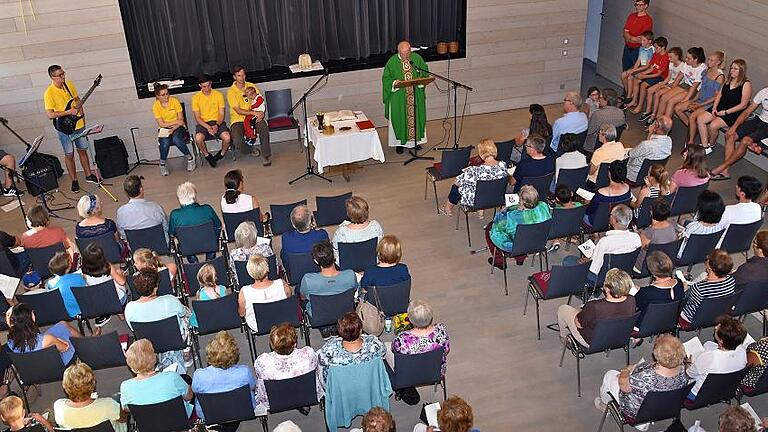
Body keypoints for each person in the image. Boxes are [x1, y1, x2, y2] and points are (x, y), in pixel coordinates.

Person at [597, 334, 688, 422]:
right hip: (665, 407)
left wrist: (625, 371)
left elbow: (624, 387)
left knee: (610, 375)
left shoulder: (644, 377)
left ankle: (604, 405)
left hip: (638, 412)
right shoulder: (683, 371)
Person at [43, 64, 98, 192]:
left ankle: (88, 175)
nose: (63, 77)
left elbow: (78, 101)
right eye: (60, 75)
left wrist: (82, 117)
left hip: (78, 125)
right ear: (52, 77)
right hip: (64, 128)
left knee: (82, 150)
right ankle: (74, 180)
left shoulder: (69, 84)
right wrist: (69, 113)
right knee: (69, 154)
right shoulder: (49, 93)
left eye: (63, 73)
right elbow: (50, 114)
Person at [123, 268, 191, 370]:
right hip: (174, 340)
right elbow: (183, 313)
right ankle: (186, 350)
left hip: (149, 343)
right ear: (156, 287)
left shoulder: (129, 308)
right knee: (187, 314)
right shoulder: (170, 300)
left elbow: (133, 329)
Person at [191, 331, 259, 423]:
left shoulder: (199, 375)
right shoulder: (244, 372)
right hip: (242, 410)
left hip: (210, 414)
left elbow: (195, 391)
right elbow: (253, 387)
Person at [557, 269, 636, 348]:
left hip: (593, 342)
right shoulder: (631, 300)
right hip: (618, 338)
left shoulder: (595, 306)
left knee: (563, 309)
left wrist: (583, 312)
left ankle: (565, 338)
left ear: (607, 289)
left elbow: (579, 324)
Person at [253, 323, 323, 411]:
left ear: (272, 345)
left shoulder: (262, 362)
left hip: (275, 400)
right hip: (307, 394)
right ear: (295, 344)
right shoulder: (308, 354)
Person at [565, 204, 640, 285]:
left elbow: (594, 269)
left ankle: (590, 289)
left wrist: (587, 262)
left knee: (568, 260)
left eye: (611, 215)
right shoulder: (636, 238)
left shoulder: (605, 242)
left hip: (603, 277)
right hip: (623, 274)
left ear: (614, 220)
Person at [120, 339, 193, 417]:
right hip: (179, 419)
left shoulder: (125, 386)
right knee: (186, 379)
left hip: (148, 425)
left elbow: (127, 408)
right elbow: (189, 396)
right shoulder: (172, 377)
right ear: (154, 358)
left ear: (131, 367)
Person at [710, 86, 768, 180]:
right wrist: (734, 127)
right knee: (730, 135)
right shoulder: (764, 92)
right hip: (759, 120)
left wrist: (763, 143)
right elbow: (747, 112)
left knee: (745, 140)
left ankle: (721, 167)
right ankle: (725, 171)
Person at [486, 185, 551, 268]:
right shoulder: (544, 207)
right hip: (538, 242)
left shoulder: (511, 217)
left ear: (522, 201)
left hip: (515, 246)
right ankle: (520, 259)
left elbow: (497, 224)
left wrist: (504, 209)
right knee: (520, 234)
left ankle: (499, 262)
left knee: (490, 229)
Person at [693, 59, 752, 149]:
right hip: (722, 105)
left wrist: (726, 112)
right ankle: (705, 145)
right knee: (700, 118)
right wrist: (714, 108)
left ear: (741, 71)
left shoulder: (746, 84)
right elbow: (719, 95)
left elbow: (743, 105)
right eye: (731, 68)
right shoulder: (728, 80)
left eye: (735, 69)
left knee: (713, 125)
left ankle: (711, 144)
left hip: (735, 111)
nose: (732, 70)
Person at [382, 41, 429, 154]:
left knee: (416, 117)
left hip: (415, 94)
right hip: (398, 97)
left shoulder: (416, 58)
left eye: (407, 53)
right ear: (398, 52)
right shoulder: (392, 62)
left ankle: (415, 142)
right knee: (399, 118)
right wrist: (394, 83)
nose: (406, 56)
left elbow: (424, 72)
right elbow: (386, 79)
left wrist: (420, 81)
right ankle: (399, 143)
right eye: (403, 54)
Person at [439, 138, 507, 215]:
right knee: (483, 186)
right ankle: (480, 209)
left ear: (481, 154)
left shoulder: (474, 170)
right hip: (496, 197)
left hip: (478, 200)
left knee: (456, 187)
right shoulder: (503, 165)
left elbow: (457, 181)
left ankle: (448, 208)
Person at [54, 362, 127, 432]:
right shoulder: (109, 404)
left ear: (65, 386)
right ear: (93, 384)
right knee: (117, 399)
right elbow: (124, 419)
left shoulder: (58, 406)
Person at [687, 315, 747, 400]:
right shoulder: (742, 350)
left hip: (698, 393)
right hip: (724, 388)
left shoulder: (710, 357)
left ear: (721, 341)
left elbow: (689, 374)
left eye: (717, 328)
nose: (715, 327)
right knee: (707, 344)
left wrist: (688, 363)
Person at [673, 50, 725, 144]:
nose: (708, 62)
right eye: (709, 59)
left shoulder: (720, 76)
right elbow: (701, 89)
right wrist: (693, 100)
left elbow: (715, 97)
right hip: (701, 100)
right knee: (678, 108)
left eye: (711, 60)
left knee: (693, 116)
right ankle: (693, 128)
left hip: (710, 103)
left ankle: (691, 140)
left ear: (718, 62)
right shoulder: (707, 71)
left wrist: (699, 105)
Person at [317, 312, 386, 382]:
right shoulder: (374, 343)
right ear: (360, 330)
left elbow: (322, 363)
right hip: (370, 384)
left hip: (341, 388)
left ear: (340, 331)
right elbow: (383, 352)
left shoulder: (329, 350)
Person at [6, 303, 80, 365]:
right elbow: (65, 348)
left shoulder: (11, 340)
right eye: (31, 313)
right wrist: (58, 340)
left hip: (35, 364)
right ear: (32, 319)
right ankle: (84, 344)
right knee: (65, 328)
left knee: (62, 324)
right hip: (58, 363)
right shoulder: (46, 339)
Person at [392, 300, 450, 376]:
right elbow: (446, 350)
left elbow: (393, 349)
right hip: (435, 372)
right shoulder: (441, 331)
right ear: (431, 317)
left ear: (410, 320)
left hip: (408, 375)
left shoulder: (402, 340)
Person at [226, 66, 271, 165]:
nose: (242, 78)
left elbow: (260, 100)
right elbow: (238, 110)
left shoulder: (251, 86)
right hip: (238, 119)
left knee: (263, 128)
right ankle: (249, 150)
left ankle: (266, 156)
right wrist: (253, 112)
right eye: (239, 76)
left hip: (253, 117)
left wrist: (261, 113)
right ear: (234, 77)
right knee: (237, 141)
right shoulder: (231, 92)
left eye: (243, 75)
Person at [299, 241, 357, 317]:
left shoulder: (307, 279)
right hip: (346, 312)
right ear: (334, 256)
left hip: (319, 316)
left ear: (316, 261)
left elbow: (303, 297)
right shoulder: (350, 275)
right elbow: (355, 290)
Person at [651, 47, 707, 127]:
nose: (686, 59)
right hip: (685, 85)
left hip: (695, 90)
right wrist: (670, 90)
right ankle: (657, 123)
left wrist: (685, 100)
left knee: (671, 101)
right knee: (664, 97)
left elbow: (694, 87)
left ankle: (665, 127)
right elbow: (678, 78)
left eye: (688, 58)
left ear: (695, 60)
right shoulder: (687, 64)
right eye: (686, 57)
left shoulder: (702, 68)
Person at [168, 182, 221, 262]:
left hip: (188, 247)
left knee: (183, 237)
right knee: (213, 231)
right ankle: (210, 259)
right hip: (209, 243)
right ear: (195, 196)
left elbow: (171, 233)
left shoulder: (175, 215)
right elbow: (219, 225)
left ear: (179, 199)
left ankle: (193, 261)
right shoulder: (207, 209)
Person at [238, 254, 291, 333]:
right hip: (282, 320)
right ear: (267, 269)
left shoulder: (244, 291)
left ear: (250, 273)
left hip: (258, 326)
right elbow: (288, 298)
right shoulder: (281, 284)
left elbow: (242, 314)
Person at [679, 250, 736, 324]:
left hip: (693, 319)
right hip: (717, 313)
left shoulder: (698, 288)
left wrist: (684, 289)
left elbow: (683, 303)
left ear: (710, 268)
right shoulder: (731, 281)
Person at [151, 83, 195, 176]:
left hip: (179, 128)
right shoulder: (156, 106)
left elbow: (181, 121)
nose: (166, 96)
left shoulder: (175, 101)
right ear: (158, 96)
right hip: (164, 128)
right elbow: (161, 124)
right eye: (163, 95)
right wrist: (175, 121)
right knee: (165, 142)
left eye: (167, 93)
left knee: (176, 139)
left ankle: (190, 158)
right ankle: (162, 164)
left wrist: (174, 127)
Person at [80, 242, 128, 326]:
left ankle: (110, 312)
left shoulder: (83, 270)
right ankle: (119, 312)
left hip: (98, 301)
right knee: (119, 274)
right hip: (117, 299)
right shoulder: (108, 267)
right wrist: (121, 274)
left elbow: (87, 282)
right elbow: (122, 282)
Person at [192, 74, 231, 167]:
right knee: (198, 139)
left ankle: (221, 154)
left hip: (218, 121)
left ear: (211, 83)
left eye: (208, 85)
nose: (207, 88)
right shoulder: (195, 98)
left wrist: (217, 125)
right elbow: (197, 118)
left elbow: (222, 114)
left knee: (227, 138)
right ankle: (207, 155)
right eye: (204, 86)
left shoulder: (218, 95)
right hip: (203, 123)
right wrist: (208, 127)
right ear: (200, 86)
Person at [634, 251, 684, 323]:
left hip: (646, 324)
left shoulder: (647, 292)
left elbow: (636, 303)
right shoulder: (679, 283)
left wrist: (637, 292)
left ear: (652, 272)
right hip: (671, 321)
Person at [636, 46, 684, 118]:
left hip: (676, 86)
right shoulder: (671, 63)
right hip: (669, 82)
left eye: (670, 57)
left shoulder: (682, 66)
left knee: (658, 94)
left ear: (677, 56)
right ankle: (649, 112)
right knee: (650, 90)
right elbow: (668, 78)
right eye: (668, 57)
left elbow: (677, 81)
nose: (669, 59)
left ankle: (655, 115)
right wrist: (662, 84)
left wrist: (664, 86)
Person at [115, 175, 169, 240]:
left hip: (136, 249)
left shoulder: (121, 212)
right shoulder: (156, 208)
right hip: (160, 246)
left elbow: (123, 235)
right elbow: (166, 228)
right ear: (141, 189)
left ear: (126, 192)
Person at [624, 37, 669, 111]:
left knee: (643, 85)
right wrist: (641, 74)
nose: (655, 49)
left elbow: (658, 74)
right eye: (655, 47)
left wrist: (644, 76)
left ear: (663, 47)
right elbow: (651, 68)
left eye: (657, 47)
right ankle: (634, 101)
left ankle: (640, 106)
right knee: (636, 79)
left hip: (660, 76)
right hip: (653, 73)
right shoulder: (656, 54)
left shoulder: (666, 57)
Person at [677, 190, 726, 257]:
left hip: (687, 256)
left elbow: (682, 243)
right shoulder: (721, 226)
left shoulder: (693, 227)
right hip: (709, 254)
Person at [584, 161, 632, 227]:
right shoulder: (627, 188)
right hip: (617, 220)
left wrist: (588, 203)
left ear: (609, 174)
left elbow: (589, 211)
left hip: (596, 222)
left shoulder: (602, 192)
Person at [625, 115, 673, 183]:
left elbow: (631, 154)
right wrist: (650, 133)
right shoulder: (669, 141)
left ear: (656, 126)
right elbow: (649, 146)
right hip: (652, 175)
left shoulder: (646, 145)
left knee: (623, 149)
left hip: (633, 175)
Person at [635, 199, 677, 270]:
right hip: (667, 262)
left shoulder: (649, 232)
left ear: (651, 212)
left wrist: (636, 235)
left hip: (647, 266)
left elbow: (638, 248)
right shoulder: (674, 226)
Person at [45, 251, 86, 319]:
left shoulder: (50, 283)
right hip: (81, 307)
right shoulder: (78, 277)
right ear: (67, 269)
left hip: (65, 311)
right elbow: (85, 288)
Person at [584, 88, 626, 154]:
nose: (598, 99)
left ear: (606, 101)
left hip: (597, 145)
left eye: (600, 97)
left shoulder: (598, 114)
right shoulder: (621, 113)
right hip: (613, 142)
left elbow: (590, 131)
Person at [188, 263, 226, 329]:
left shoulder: (200, 293)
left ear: (200, 280)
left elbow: (200, 309)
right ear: (215, 277)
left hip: (208, 319)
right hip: (221, 316)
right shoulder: (223, 288)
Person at [620, 31, 655, 101]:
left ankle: (629, 97)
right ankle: (628, 93)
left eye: (644, 40)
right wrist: (634, 69)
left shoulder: (651, 50)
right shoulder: (642, 47)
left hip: (646, 69)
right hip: (640, 67)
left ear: (649, 41)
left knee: (630, 77)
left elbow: (647, 66)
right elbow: (639, 60)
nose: (641, 42)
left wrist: (634, 71)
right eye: (641, 40)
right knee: (623, 75)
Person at [621, 0, 653, 74]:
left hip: (639, 50)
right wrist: (631, 38)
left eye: (640, 5)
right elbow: (625, 32)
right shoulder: (631, 16)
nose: (637, 7)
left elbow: (641, 39)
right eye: (636, 4)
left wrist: (629, 38)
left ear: (646, 6)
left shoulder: (648, 20)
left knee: (635, 74)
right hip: (627, 48)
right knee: (625, 72)